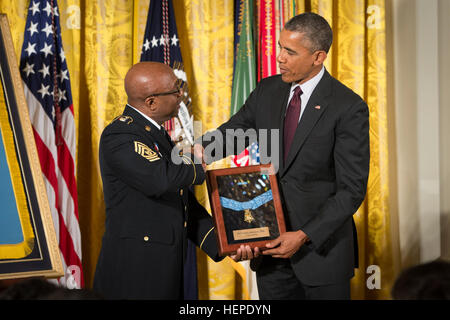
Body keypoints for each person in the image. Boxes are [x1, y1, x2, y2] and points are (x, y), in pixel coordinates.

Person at [197, 12, 370, 300]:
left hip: (321, 254)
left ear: (318, 57)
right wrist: (195, 153)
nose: (280, 57)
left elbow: (351, 190)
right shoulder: (268, 90)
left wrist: (303, 235)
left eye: (290, 51)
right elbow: (234, 132)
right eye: (280, 47)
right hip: (270, 253)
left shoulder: (348, 107)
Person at [93, 62, 256, 299]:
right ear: (151, 102)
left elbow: (182, 205)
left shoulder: (155, 134)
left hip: (162, 266)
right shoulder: (121, 135)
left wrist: (225, 242)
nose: (181, 95)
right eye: (174, 90)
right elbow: (160, 180)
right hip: (135, 271)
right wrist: (196, 158)